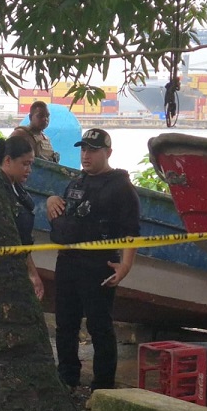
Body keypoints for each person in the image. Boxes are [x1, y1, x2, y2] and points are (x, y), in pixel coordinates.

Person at [46, 128, 140, 392]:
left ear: (108, 153)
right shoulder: (77, 182)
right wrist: (51, 200)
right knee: (65, 324)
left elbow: (132, 231)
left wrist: (126, 266)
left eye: (92, 150)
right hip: (68, 261)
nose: (85, 155)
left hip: (98, 264)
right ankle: (67, 378)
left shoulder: (120, 186)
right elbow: (64, 209)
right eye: (83, 149)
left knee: (100, 327)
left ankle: (103, 386)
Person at [0, 136, 44, 299]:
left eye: (30, 164)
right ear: (8, 160)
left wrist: (33, 272)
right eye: (25, 164)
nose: (29, 170)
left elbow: (23, 241)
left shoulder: (17, 188)